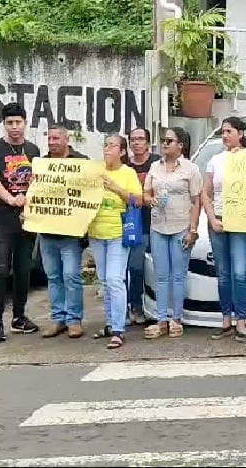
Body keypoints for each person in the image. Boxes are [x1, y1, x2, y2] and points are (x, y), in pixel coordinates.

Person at [0, 102, 42, 343]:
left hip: (27, 218)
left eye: (18, 122)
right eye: (10, 123)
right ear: (4, 124)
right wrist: (11, 199)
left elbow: (39, 181)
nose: (14, 127)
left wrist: (27, 199)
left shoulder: (33, 149)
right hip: (1, 217)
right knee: (0, 269)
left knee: (22, 269)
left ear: (25, 123)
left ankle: (19, 317)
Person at [203, 117, 246, 345]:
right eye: (223, 132)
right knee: (223, 274)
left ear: (240, 133)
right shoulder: (214, 160)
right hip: (218, 221)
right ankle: (226, 320)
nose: (225, 136)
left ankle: (241, 321)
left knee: (239, 272)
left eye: (229, 131)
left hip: (243, 222)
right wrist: (211, 219)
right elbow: (205, 193)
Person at [142, 127, 202, 340]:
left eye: (169, 140)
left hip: (181, 227)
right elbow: (146, 194)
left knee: (178, 275)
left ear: (180, 145)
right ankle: (161, 320)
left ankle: (176, 319)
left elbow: (196, 201)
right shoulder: (154, 167)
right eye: (163, 140)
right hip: (158, 225)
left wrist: (193, 230)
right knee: (161, 276)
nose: (165, 144)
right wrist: (150, 200)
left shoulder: (191, 169)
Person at [89, 134, 142, 349]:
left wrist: (115, 188)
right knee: (104, 281)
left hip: (118, 233)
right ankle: (110, 323)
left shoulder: (128, 173)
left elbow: (138, 201)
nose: (107, 149)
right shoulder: (95, 170)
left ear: (122, 152)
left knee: (115, 279)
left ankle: (119, 328)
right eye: (105, 145)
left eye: (112, 146)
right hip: (96, 232)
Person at [38, 125, 88, 340]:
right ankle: (59, 319)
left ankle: (74, 320)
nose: (52, 142)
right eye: (49, 138)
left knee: (72, 276)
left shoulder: (81, 162)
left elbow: (88, 194)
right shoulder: (42, 164)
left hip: (70, 233)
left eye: (56, 138)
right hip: (46, 232)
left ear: (67, 139)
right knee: (53, 277)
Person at [125, 127, 160, 324]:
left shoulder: (157, 163)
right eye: (133, 139)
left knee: (158, 270)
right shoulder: (125, 166)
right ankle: (136, 306)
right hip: (133, 224)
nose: (137, 143)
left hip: (156, 222)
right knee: (135, 268)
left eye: (140, 139)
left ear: (148, 143)